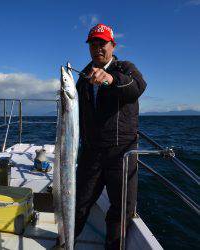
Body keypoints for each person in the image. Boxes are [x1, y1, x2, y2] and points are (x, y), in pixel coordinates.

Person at [75, 23, 147, 250]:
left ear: (112, 45)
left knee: (121, 208)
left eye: (102, 43)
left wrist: (109, 79)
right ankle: (64, 242)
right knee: (79, 203)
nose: (97, 47)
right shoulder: (84, 76)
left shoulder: (126, 68)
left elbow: (137, 87)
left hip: (121, 151)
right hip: (91, 151)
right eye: (93, 43)